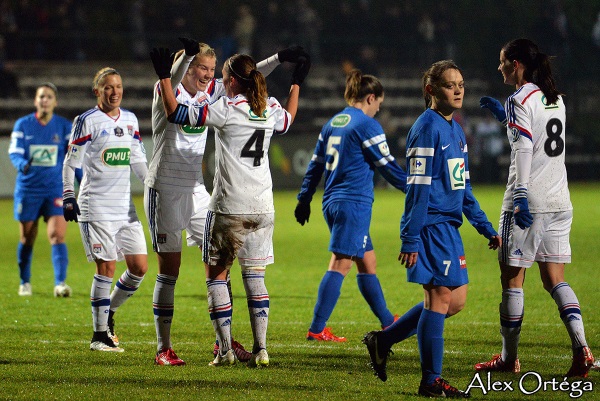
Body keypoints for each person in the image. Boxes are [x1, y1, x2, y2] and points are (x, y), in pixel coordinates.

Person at [145, 37, 309, 365]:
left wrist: (276, 57)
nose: (208, 75)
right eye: (200, 68)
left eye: (211, 69)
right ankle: (164, 347)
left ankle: (225, 342)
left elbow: (249, 73)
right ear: (186, 68)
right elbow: (236, 78)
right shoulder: (167, 88)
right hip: (165, 188)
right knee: (170, 271)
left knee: (220, 268)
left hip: (198, 191)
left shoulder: (215, 98)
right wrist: (184, 57)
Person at [362, 60, 501, 398]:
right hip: (430, 226)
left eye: (461, 84)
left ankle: (383, 339)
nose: (458, 90)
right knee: (438, 298)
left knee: (455, 301)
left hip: (448, 227)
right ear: (430, 90)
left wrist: (485, 227)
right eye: (450, 84)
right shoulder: (427, 128)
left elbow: (463, 187)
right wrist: (410, 237)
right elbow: (418, 188)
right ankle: (430, 381)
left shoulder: (455, 128)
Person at [474, 38, 595, 378]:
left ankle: (508, 359)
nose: (499, 68)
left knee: (512, 280)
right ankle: (582, 348)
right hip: (560, 199)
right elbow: (539, 138)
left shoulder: (518, 98)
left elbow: (526, 149)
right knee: (555, 278)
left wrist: (522, 196)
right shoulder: (554, 97)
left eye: (502, 62)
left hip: (527, 202)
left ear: (516, 64)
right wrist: (506, 119)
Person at [294, 69, 406, 342]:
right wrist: (416, 189)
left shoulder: (333, 122)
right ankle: (317, 329)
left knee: (367, 261)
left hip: (332, 201)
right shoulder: (366, 125)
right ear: (370, 97)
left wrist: (304, 198)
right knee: (341, 263)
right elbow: (387, 167)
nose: (379, 108)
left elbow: (315, 165)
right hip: (352, 203)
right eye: (379, 102)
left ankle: (387, 321)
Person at [62, 67, 148, 352]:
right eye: (108, 87)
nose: (115, 92)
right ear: (97, 91)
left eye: (118, 86)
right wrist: (68, 196)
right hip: (95, 205)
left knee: (139, 267)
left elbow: (137, 160)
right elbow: (70, 163)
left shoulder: (131, 120)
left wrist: (153, 185)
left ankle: (108, 313)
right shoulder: (86, 121)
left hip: (124, 207)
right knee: (107, 267)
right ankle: (99, 335)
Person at [8, 82, 74, 297]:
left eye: (48, 97)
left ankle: (60, 284)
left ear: (55, 101)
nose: (44, 100)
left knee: (57, 235)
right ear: (36, 101)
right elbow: (15, 152)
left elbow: (72, 158)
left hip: (55, 188)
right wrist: (22, 164)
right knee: (27, 237)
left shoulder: (64, 127)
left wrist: (80, 181)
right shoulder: (23, 125)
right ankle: (25, 282)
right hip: (29, 189)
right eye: (41, 97)